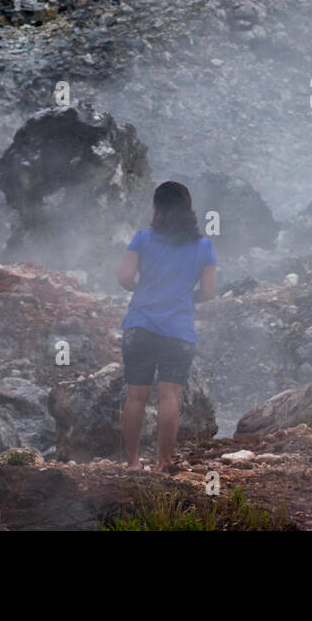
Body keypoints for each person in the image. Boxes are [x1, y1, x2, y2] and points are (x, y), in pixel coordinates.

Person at [116, 181, 217, 472]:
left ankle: (133, 462)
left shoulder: (142, 239)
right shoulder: (203, 246)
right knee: (170, 396)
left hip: (140, 325)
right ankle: (163, 463)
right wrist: (185, 297)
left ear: (156, 208)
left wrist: (144, 289)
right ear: (188, 210)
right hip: (178, 330)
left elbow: (123, 278)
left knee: (135, 395)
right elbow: (209, 292)